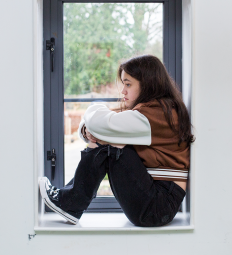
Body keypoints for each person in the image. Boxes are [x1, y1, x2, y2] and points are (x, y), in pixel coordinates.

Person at [39, 55, 194, 227]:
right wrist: (89, 130)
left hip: (159, 205)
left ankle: (71, 203)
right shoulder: (149, 110)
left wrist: (95, 108)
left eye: (128, 84)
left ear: (148, 83)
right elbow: (98, 125)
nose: (123, 91)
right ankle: (71, 202)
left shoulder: (156, 115)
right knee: (110, 138)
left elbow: (101, 122)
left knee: (111, 146)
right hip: (156, 201)